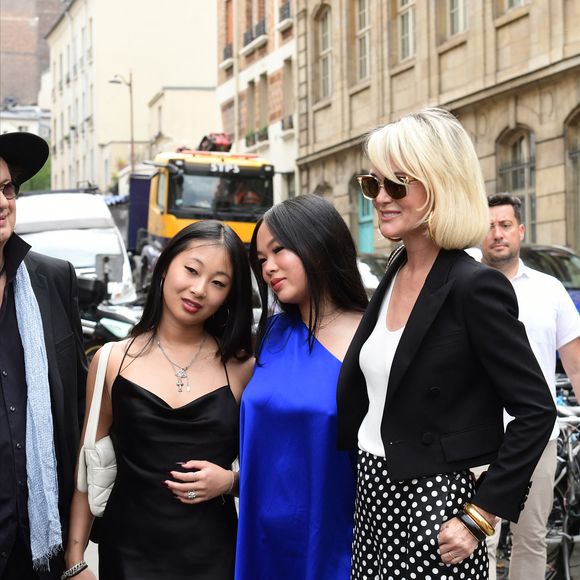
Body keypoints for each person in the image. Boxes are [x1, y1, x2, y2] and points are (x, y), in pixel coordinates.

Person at [336, 107, 557, 579]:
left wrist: (480, 515)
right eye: (372, 184)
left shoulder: (474, 285)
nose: (379, 198)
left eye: (396, 184)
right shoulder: (394, 271)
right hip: (371, 494)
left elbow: (536, 409)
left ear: (439, 186)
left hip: (432, 505)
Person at [63, 220, 255, 580]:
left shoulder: (243, 368)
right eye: (191, 270)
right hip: (128, 553)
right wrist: (75, 559)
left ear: (229, 295)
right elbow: (87, 464)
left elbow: (271, 467)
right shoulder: (111, 360)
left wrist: (230, 482)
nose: (199, 290)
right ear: (165, 266)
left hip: (214, 554)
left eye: (218, 283)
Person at [235, 194, 369, 580]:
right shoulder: (272, 334)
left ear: (321, 244)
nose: (268, 268)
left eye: (279, 250)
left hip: (335, 540)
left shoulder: (373, 337)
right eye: (261, 260)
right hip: (260, 537)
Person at [479, 193, 580, 580]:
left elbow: (575, 362)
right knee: (478, 536)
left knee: (532, 538)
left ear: (520, 230)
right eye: (489, 226)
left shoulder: (549, 290)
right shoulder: (463, 287)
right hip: (476, 433)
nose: (497, 234)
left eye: (505, 225)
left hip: (537, 434)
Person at [0, 132, 87, 579]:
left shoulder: (52, 279)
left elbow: (79, 409)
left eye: (6, 187)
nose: (2, 202)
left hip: (39, 549)